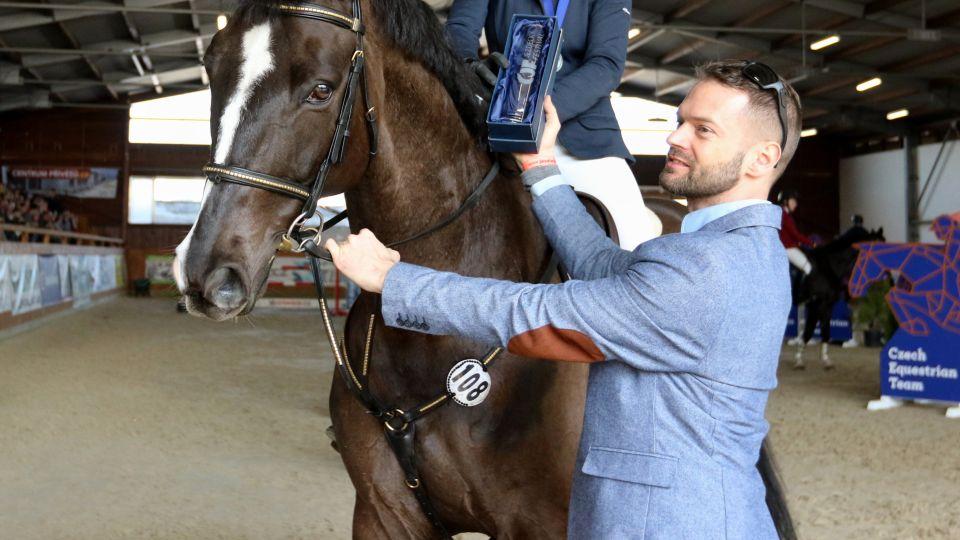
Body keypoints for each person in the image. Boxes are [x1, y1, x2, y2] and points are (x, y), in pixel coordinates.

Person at [325, 60, 802, 538]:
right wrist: (540, 166)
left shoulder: (705, 272)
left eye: (704, 130)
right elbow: (603, 267)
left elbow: (539, 314)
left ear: (762, 158)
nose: (676, 138)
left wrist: (396, 280)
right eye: (681, 121)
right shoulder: (735, 251)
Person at [445, 0, 660, 249]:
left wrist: (538, 111)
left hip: (583, 135)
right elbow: (459, 31)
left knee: (634, 242)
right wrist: (470, 73)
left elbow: (606, 65)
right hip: (504, 124)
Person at [778, 188, 814, 275]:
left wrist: (799, 243)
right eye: (793, 201)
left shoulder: (782, 214)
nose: (795, 204)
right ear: (785, 202)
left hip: (786, 247)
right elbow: (795, 235)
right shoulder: (784, 215)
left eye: (796, 202)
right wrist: (812, 243)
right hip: (787, 249)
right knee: (808, 267)